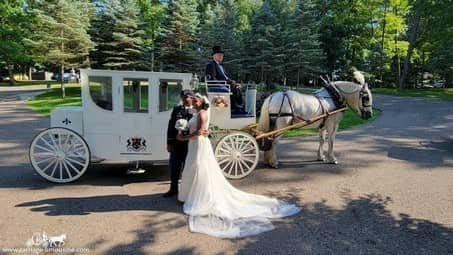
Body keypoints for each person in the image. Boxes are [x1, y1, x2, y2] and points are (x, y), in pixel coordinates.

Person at [176, 94, 300, 238]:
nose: (193, 102)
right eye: (193, 100)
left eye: (196, 100)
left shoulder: (202, 113)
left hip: (198, 145)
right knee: (194, 169)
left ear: (201, 102)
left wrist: (183, 137)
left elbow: (201, 132)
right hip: (194, 145)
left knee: (198, 169)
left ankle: (198, 196)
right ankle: (191, 194)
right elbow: (200, 131)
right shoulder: (196, 113)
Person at [163, 90, 194, 198]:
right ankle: (173, 189)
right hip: (176, 144)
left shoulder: (196, 110)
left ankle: (186, 192)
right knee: (174, 166)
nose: (185, 99)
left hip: (190, 144)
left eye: (188, 96)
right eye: (183, 97)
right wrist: (169, 142)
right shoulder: (177, 109)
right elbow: (171, 126)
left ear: (192, 97)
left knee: (188, 168)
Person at [205, 46, 244, 113]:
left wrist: (233, 82)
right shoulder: (211, 65)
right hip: (219, 85)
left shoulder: (221, 66)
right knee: (233, 86)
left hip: (227, 84)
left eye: (222, 55)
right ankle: (235, 107)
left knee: (236, 86)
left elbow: (226, 78)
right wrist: (223, 84)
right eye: (219, 55)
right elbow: (212, 79)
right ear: (213, 56)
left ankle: (238, 106)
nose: (221, 56)